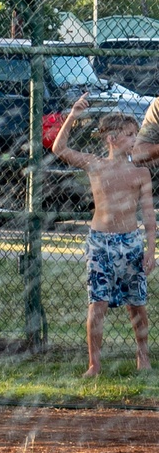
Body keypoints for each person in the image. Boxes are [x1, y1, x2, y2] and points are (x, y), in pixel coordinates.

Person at [53, 93, 156, 377]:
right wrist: (73, 115)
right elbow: (59, 149)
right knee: (97, 304)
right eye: (128, 135)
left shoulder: (140, 174)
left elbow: (148, 216)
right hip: (100, 242)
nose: (135, 139)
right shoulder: (95, 165)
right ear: (111, 138)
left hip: (130, 242)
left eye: (135, 134)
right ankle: (94, 364)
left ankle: (143, 355)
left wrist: (150, 250)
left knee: (136, 304)